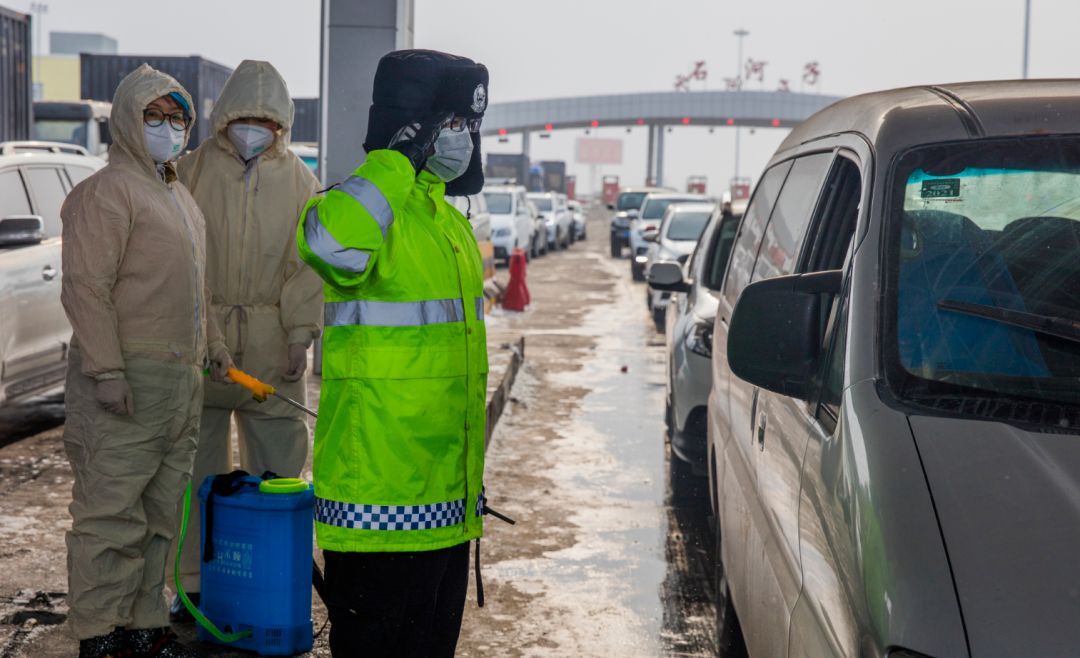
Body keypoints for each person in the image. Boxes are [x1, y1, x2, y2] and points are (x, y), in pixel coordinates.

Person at [296, 49, 492, 657]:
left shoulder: (448, 223)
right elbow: (331, 244)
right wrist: (393, 159)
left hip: (445, 505)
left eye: (469, 127)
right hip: (378, 506)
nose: (462, 139)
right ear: (417, 128)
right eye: (450, 124)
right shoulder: (367, 210)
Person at [60, 64, 229, 658]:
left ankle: (143, 620)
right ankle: (98, 631)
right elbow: (86, 287)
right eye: (153, 116)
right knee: (111, 511)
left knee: (162, 510)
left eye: (177, 117)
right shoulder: (105, 193)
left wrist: (215, 347)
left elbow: (196, 287)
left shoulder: (179, 196)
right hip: (128, 377)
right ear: (129, 121)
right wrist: (106, 370)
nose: (167, 127)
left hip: (179, 381)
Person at [169, 59, 322, 618]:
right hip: (200, 346)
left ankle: (277, 574)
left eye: (264, 118)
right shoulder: (188, 171)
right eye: (244, 116)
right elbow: (177, 260)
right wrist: (192, 333)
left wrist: (301, 338)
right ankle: (194, 584)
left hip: (270, 343)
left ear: (281, 122)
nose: (253, 127)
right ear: (224, 115)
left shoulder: (302, 180)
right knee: (193, 471)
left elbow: (307, 266)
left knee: (280, 469)